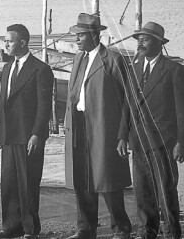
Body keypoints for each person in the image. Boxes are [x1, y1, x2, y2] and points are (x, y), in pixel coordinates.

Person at [63, 13, 132, 239]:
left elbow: (127, 99)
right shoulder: (77, 58)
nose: (77, 39)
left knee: (108, 179)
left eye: (81, 35)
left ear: (94, 35)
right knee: (81, 177)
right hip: (79, 124)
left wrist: (123, 133)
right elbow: (73, 93)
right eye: (76, 35)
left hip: (103, 126)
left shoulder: (112, 59)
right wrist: (66, 122)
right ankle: (85, 227)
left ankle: (121, 228)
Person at [124, 22, 184, 239]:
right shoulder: (134, 68)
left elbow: (183, 109)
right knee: (142, 192)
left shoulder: (173, 70)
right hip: (138, 140)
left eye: (146, 39)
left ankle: (172, 233)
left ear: (159, 43)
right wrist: (121, 136)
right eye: (139, 39)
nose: (140, 43)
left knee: (166, 192)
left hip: (164, 141)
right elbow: (128, 106)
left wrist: (181, 141)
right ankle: (147, 231)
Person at [0, 24, 54, 239]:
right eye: (5, 41)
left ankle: (30, 229)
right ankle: (11, 227)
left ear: (23, 42)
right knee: (9, 181)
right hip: (9, 134)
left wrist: (37, 133)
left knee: (28, 182)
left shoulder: (41, 69)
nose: (5, 44)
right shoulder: (7, 68)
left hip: (29, 135)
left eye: (9, 41)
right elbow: (3, 103)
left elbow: (44, 106)